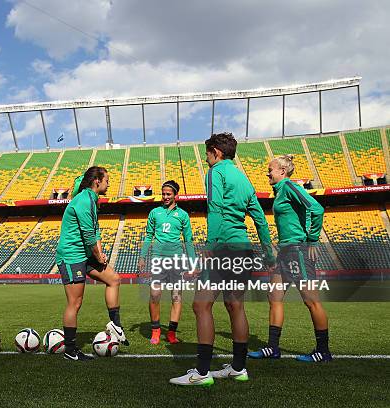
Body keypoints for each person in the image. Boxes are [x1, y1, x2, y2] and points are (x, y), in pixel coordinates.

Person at [170, 132, 275, 386]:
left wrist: (210, 246)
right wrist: (269, 252)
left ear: (216, 152)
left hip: (222, 248)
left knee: (201, 305)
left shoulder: (216, 172)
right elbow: (260, 219)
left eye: (208, 153)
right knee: (235, 306)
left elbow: (215, 209)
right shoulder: (244, 179)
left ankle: (202, 373)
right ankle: (238, 368)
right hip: (243, 248)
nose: (207, 159)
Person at [248, 155, 331, 362]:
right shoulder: (279, 192)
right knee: (274, 297)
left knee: (311, 301)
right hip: (285, 252)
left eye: (271, 169)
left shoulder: (289, 187)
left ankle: (323, 351)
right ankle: (273, 348)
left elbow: (317, 208)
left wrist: (312, 240)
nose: (268, 173)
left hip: (297, 251)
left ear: (282, 172)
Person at [56, 166, 128, 361]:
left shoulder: (92, 200)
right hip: (72, 256)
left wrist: (100, 253)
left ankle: (115, 324)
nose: (109, 183)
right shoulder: (84, 200)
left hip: (85, 255)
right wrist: (97, 254)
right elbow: (88, 235)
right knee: (75, 302)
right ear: (97, 181)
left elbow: (95, 232)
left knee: (113, 279)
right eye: (107, 180)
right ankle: (70, 350)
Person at [138, 180, 196, 345]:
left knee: (176, 296)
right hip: (158, 259)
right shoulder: (154, 212)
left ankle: (171, 333)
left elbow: (189, 241)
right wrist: (142, 257)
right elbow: (149, 236)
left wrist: (193, 264)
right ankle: (156, 330)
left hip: (176, 260)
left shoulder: (183, 215)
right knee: (155, 294)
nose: (165, 197)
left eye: (168, 194)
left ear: (175, 195)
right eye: (163, 194)